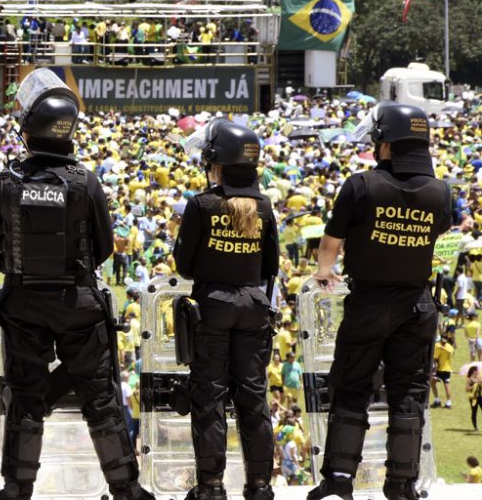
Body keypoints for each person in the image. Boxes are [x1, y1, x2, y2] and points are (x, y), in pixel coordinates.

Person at [0, 69, 154, 500]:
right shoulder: (84, 180)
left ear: (29, 129)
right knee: (100, 397)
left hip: (23, 304)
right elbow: (105, 246)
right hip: (77, 302)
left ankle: (18, 488)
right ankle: (126, 489)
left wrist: (22, 273)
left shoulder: (5, 181)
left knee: (25, 397)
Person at [309, 104, 452, 500]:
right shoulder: (441, 191)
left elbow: (331, 241)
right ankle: (402, 484)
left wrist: (324, 270)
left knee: (352, 386)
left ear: (385, 144)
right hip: (417, 303)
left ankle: (339, 479)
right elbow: (437, 234)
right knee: (407, 392)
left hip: (370, 300)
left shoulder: (360, 185)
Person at [172, 118, 280, 500]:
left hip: (213, 307)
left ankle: (212, 486)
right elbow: (271, 266)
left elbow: (183, 265)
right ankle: (260, 484)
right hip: (253, 306)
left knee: (210, 398)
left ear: (218, 163)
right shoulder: (264, 206)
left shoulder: (202, 204)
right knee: (253, 398)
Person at [466, 365, 482, 432]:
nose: (478, 372)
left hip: (480, 397)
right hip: (473, 398)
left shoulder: (479, 378)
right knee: (474, 412)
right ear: (474, 371)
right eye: (477, 370)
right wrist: (474, 385)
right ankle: (475, 427)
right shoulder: (469, 379)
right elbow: (467, 389)